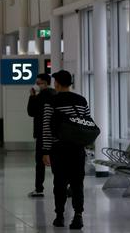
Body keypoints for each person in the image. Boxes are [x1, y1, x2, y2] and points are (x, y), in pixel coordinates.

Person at [42, 70, 90, 230]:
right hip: (77, 149)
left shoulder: (52, 101)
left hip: (59, 149)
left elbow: (47, 128)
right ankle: (78, 216)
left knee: (60, 183)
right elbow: (87, 124)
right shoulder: (81, 100)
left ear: (57, 83)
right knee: (77, 183)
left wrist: (45, 151)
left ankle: (60, 216)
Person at [26, 73, 56, 198]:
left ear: (45, 83)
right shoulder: (55, 94)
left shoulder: (41, 96)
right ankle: (62, 187)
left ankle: (39, 188)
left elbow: (31, 112)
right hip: (55, 134)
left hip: (42, 134)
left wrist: (32, 96)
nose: (36, 85)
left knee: (40, 162)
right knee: (57, 162)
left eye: (38, 83)